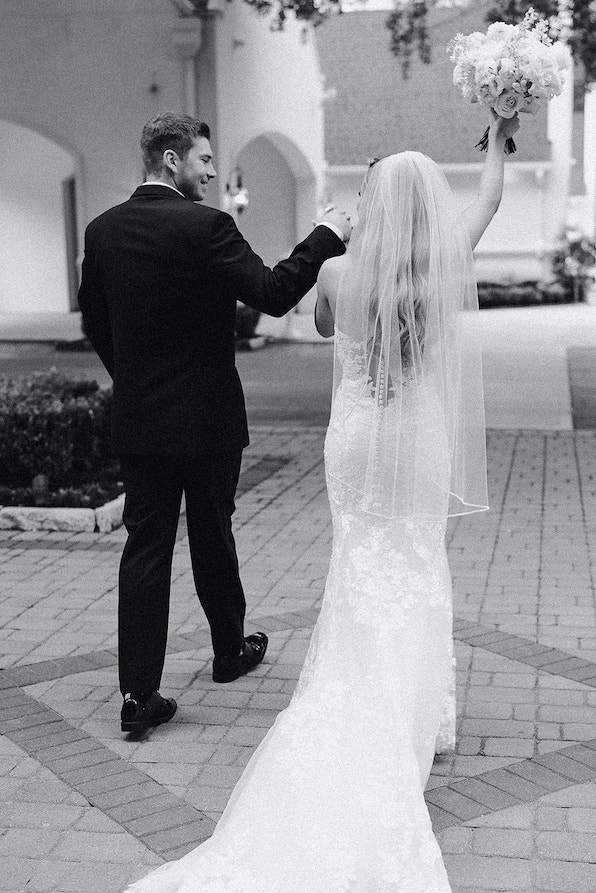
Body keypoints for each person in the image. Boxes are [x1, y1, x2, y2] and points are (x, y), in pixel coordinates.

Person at [124, 112, 519, 892]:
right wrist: (499, 142)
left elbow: (320, 319)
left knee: (359, 560)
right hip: (414, 438)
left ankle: (349, 692)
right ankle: (415, 712)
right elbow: (490, 203)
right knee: (414, 556)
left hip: (359, 439)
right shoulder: (438, 271)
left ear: (372, 205)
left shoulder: (341, 275)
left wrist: (342, 240)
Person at [78, 112, 351, 735]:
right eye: (203, 159)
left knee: (145, 546)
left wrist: (134, 379)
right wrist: (326, 234)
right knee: (211, 531)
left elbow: (95, 320)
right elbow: (274, 291)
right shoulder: (207, 226)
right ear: (172, 160)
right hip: (207, 418)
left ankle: (137, 694)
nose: (210, 170)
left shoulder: (103, 230)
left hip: (142, 418)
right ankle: (229, 651)